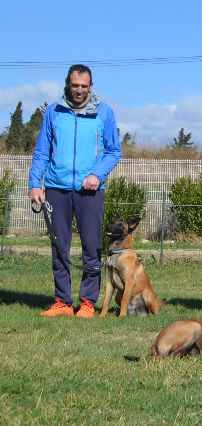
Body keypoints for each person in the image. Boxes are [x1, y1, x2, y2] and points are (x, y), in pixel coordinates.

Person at [28, 64, 122, 318]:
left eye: (84, 86)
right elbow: (41, 152)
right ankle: (62, 302)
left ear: (91, 86)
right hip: (56, 189)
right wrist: (35, 184)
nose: (79, 90)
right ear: (67, 85)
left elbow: (114, 151)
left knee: (91, 247)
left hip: (89, 191)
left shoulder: (104, 112)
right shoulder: (54, 112)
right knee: (59, 246)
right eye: (75, 85)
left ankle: (88, 303)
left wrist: (97, 175)